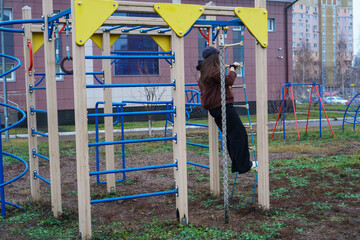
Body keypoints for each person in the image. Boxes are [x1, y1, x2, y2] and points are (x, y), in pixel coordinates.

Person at [196, 46, 256, 174]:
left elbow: (217, 87)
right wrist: (233, 69)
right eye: (218, 56)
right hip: (223, 107)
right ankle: (244, 165)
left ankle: (238, 165)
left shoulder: (204, 72)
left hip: (215, 109)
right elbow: (228, 81)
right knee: (239, 134)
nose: (219, 58)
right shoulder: (213, 70)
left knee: (231, 136)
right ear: (214, 58)